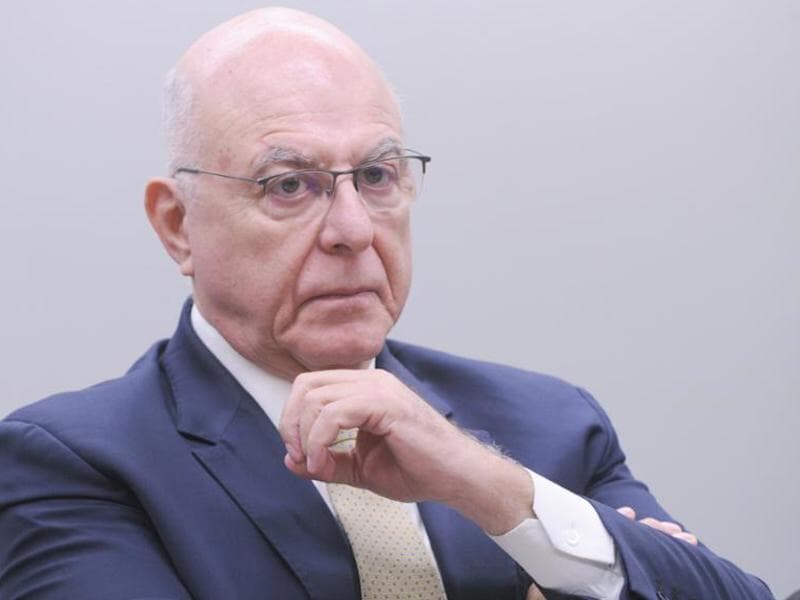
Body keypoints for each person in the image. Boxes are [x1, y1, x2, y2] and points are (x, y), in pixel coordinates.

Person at [0, 8, 773, 600]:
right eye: (289, 185)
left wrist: (492, 488)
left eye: (376, 177)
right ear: (178, 226)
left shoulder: (551, 429)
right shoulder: (70, 464)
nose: (353, 230)